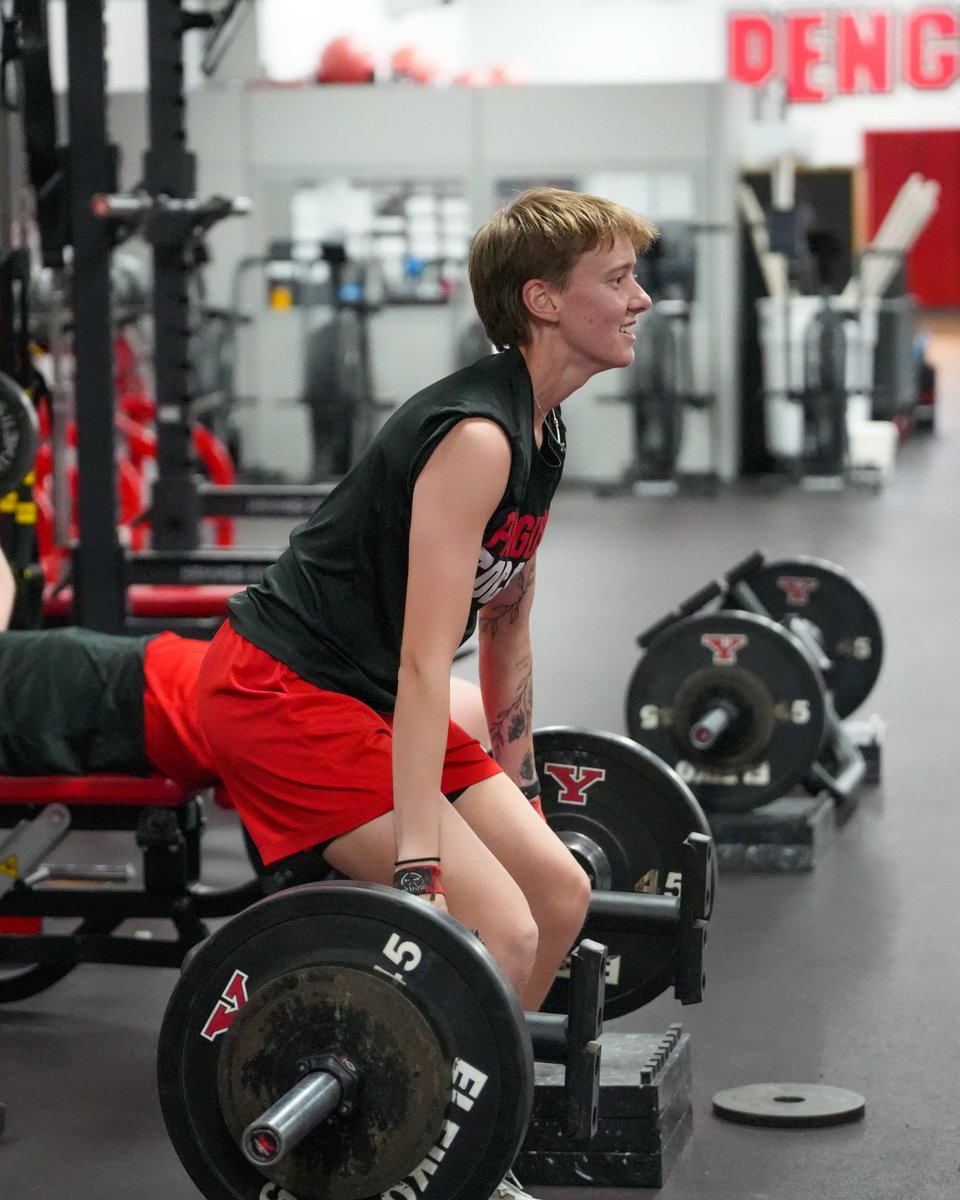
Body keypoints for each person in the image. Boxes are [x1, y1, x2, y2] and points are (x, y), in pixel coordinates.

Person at [197, 187, 654, 1035]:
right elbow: (423, 660)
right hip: (281, 693)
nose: (642, 299)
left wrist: (524, 792)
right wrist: (420, 869)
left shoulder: (542, 431)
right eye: (618, 279)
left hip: (367, 695)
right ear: (544, 300)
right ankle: (435, 1106)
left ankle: (480, 1097)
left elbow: (507, 626)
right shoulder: (479, 437)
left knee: (559, 893)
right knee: (503, 931)